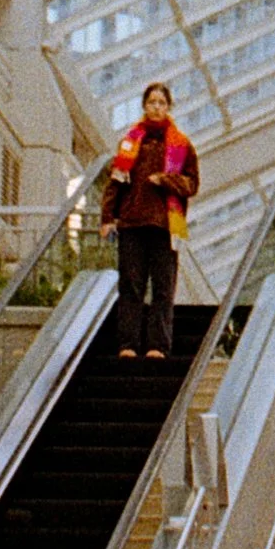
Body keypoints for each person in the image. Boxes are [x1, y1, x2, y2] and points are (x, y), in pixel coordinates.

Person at [100, 80, 198, 357]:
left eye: (162, 103)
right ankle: (128, 344)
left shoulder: (182, 145)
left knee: (163, 288)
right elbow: (116, 182)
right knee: (131, 285)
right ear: (144, 106)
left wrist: (166, 180)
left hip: (167, 225)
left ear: (169, 107)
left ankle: (158, 345)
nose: (156, 107)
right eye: (152, 102)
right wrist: (108, 217)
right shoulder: (131, 142)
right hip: (132, 222)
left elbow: (192, 184)